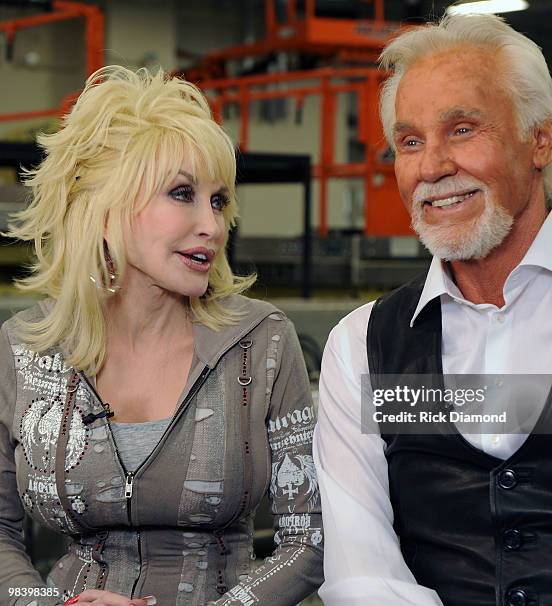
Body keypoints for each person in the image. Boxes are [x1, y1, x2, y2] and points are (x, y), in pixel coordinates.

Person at [314, 12, 552, 606]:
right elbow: (361, 569)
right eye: (410, 141)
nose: (432, 167)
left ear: (541, 140)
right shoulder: (362, 346)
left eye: (463, 129)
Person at [0, 66, 323, 606]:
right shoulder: (25, 348)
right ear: (104, 210)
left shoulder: (262, 344)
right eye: (182, 194)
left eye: (219, 201)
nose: (213, 225)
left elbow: (309, 540)